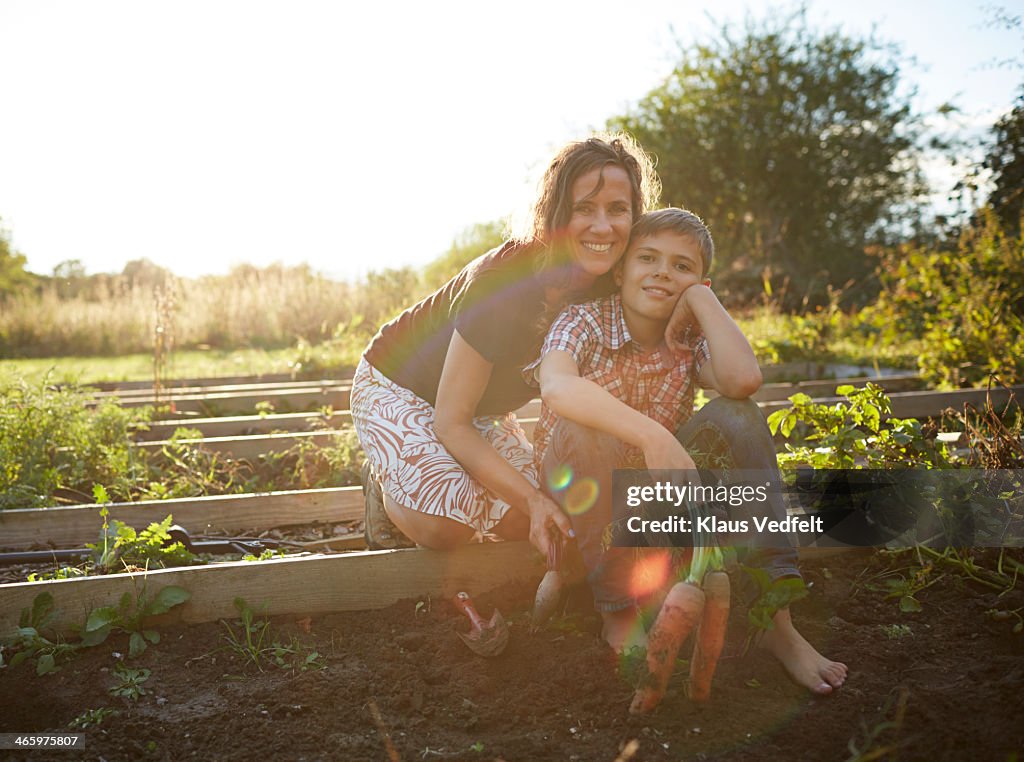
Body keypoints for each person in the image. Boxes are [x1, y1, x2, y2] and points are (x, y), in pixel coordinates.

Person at [528, 208, 848, 695]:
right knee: (586, 423)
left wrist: (701, 301)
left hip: (657, 501)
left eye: (683, 267)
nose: (663, 272)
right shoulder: (585, 321)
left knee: (738, 414)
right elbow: (557, 388)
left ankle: (777, 624)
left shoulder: (690, 341)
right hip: (582, 490)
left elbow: (744, 382)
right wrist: (651, 435)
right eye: (648, 258)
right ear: (620, 271)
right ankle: (618, 613)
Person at [350, 133, 661, 558]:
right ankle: (384, 484)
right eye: (583, 208)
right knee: (448, 527)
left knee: (534, 520)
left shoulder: (614, 281)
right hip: (398, 386)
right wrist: (532, 499)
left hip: (481, 410)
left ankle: (429, 473)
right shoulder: (505, 281)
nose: (603, 227)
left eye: (617, 209)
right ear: (555, 214)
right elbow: (451, 422)